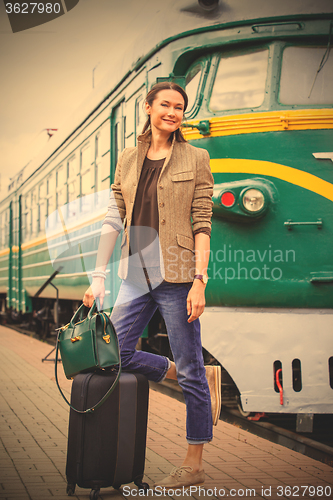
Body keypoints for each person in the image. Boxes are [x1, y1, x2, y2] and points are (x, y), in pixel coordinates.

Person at [83, 82, 222, 489]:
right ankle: (182, 372)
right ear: (148, 107)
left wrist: (200, 279)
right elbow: (114, 217)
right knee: (111, 352)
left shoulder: (196, 157)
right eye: (165, 104)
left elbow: (202, 222)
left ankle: (194, 464)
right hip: (134, 273)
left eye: (180, 107)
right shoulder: (128, 158)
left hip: (179, 276)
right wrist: (98, 274)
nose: (173, 112)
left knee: (194, 372)